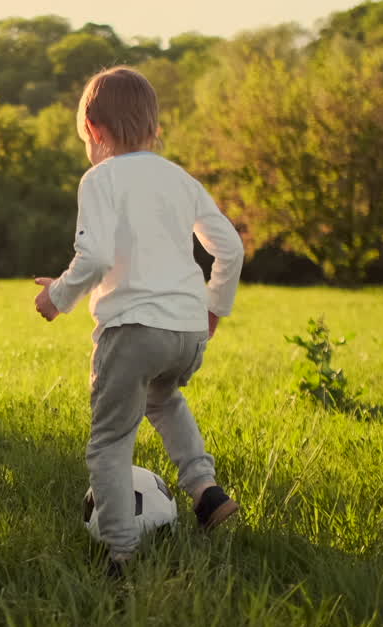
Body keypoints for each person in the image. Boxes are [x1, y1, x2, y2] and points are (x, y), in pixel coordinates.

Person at [33, 66, 245, 571]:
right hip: (187, 331)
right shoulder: (180, 179)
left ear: (93, 129)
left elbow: (96, 257)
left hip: (133, 331)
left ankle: (121, 554)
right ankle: (206, 492)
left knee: (109, 443)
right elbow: (230, 249)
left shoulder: (100, 179)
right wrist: (213, 308)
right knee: (164, 397)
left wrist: (57, 298)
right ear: (154, 126)